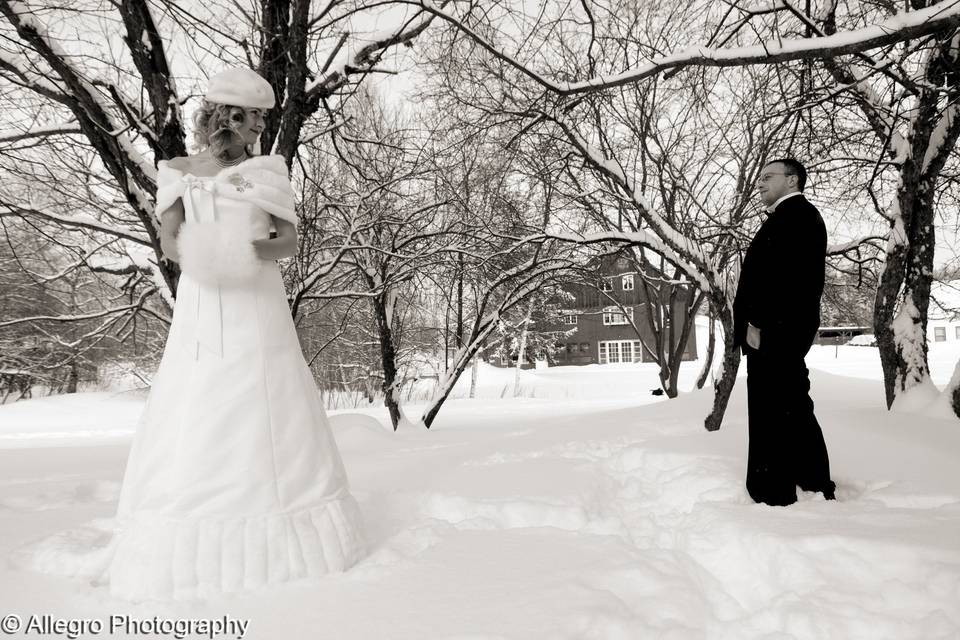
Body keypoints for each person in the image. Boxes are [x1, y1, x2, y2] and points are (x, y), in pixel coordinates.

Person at [100, 68, 365, 600]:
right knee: (199, 396)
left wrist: (241, 254)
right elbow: (170, 240)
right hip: (202, 298)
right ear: (228, 117)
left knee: (263, 396)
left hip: (256, 297)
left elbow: (287, 242)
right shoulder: (178, 171)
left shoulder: (269, 172)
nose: (260, 127)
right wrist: (203, 257)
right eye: (253, 118)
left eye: (263, 117)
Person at [732, 158, 836, 507]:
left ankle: (774, 491)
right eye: (759, 177)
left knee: (775, 409)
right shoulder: (789, 217)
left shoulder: (798, 217)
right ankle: (811, 479)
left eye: (768, 177)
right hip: (776, 331)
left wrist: (759, 326)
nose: (759, 183)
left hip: (776, 332)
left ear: (792, 180)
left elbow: (790, 282)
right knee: (791, 405)